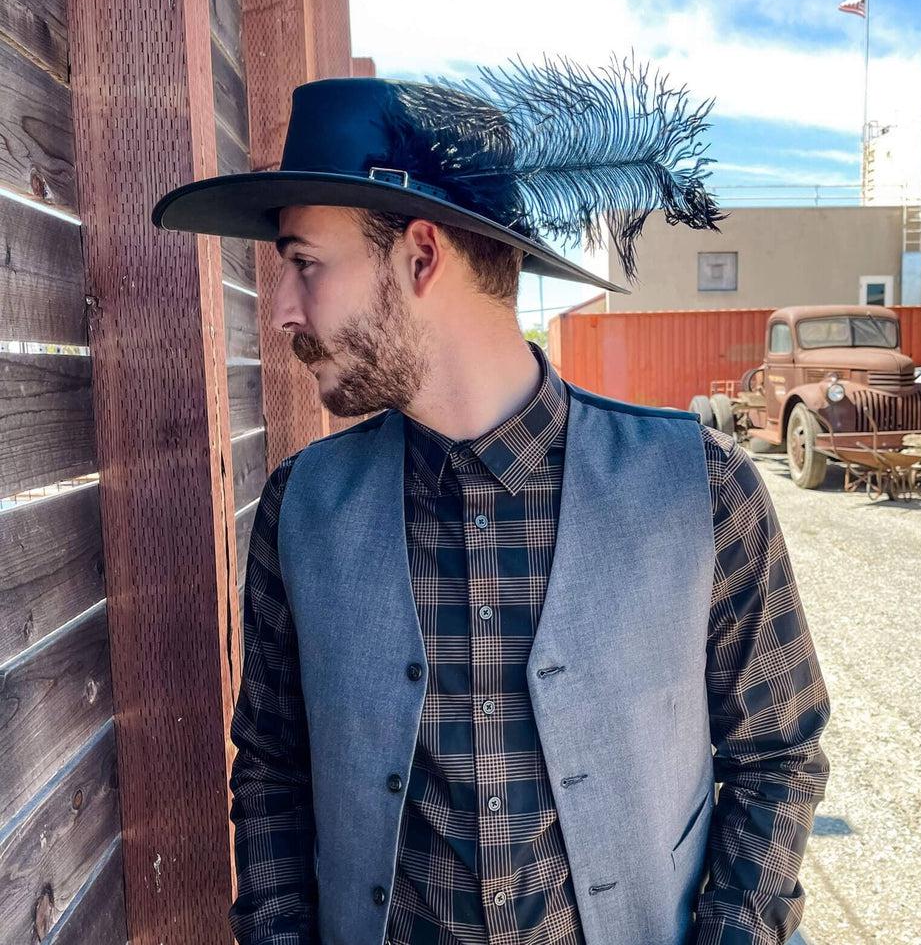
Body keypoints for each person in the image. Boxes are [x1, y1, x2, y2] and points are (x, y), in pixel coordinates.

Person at [152, 56, 830, 945]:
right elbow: (275, 772)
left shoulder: (699, 488)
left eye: (305, 264)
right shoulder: (303, 508)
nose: (281, 309)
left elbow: (777, 756)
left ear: (421, 254)